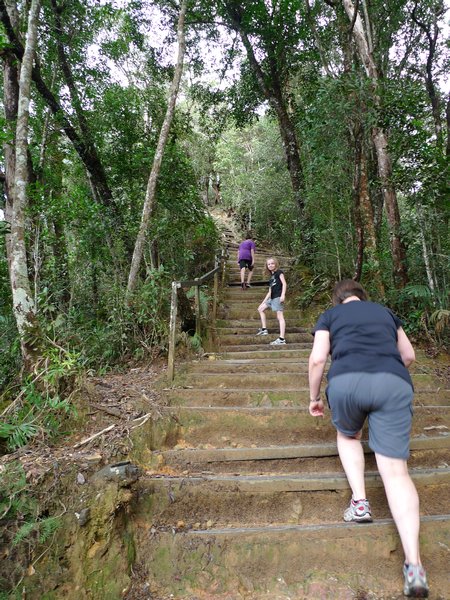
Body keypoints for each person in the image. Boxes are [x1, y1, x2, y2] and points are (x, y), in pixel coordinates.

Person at [308, 279, 429, 598]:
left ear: (339, 300)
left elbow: (318, 359)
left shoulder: (330, 316)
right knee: (396, 472)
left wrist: (314, 397)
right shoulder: (386, 313)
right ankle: (414, 565)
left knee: (349, 435)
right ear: (363, 297)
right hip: (393, 382)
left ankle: (360, 502)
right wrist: (387, 372)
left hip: (346, 380)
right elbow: (409, 355)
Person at [256, 257, 287, 345]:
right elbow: (269, 292)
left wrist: (283, 295)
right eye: (269, 264)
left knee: (280, 316)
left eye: (272, 263)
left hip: (278, 297)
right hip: (272, 298)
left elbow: (284, 283)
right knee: (260, 309)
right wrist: (263, 302)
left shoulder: (279, 272)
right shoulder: (272, 277)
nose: (270, 265)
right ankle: (264, 329)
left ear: (275, 264)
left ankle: (281, 339)